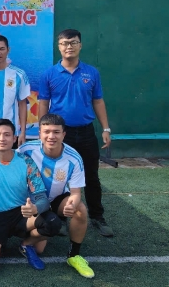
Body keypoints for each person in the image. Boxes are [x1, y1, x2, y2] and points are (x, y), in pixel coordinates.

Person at [38, 29, 113, 237]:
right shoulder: (49, 74)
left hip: (86, 133)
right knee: (59, 177)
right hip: (61, 134)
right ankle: (60, 218)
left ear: (80, 45)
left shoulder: (92, 73)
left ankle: (97, 216)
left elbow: (98, 101)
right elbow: (43, 103)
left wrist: (106, 128)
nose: (68, 47)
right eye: (64, 43)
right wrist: (43, 131)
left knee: (91, 176)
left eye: (73, 42)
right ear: (59, 47)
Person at [0, 119, 61, 276]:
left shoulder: (26, 161)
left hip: (21, 214)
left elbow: (42, 198)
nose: (2, 138)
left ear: (14, 138)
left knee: (52, 223)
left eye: (7, 135)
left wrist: (34, 208)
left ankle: (26, 244)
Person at [18, 114, 94, 278]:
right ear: (39, 133)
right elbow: (6, 158)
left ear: (63, 134)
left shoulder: (74, 158)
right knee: (40, 249)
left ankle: (74, 255)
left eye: (56, 132)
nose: (51, 136)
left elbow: (75, 193)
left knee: (80, 209)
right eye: (47, 132)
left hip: (56, 199)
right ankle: (28, 236)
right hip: (32, 202)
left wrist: (72, 204)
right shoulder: (26, 150)